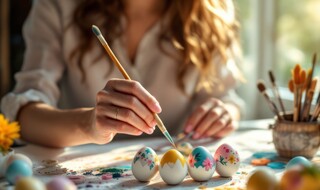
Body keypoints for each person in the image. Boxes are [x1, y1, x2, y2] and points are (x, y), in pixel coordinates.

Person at [1, 0, 245, 148]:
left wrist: (223, 113)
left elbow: (226, 97)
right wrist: (89, 124)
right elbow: (23, 114)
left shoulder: (211, 11)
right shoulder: (58, 6)